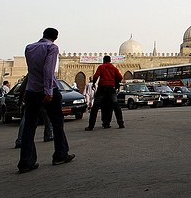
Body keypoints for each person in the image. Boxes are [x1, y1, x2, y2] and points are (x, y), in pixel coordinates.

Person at [17, 28, 75, 174]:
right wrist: (48, 91)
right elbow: (48, 70)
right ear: (55, 37)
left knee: (29, 125)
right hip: (47, 90)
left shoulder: (29, 47)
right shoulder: (52, 47)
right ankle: (60, 155)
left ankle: (25, 162)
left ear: (43, 35)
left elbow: (31, 71)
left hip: (32, 90)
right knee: (57, 122)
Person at [85, 55, 125, 130]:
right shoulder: (114, 68)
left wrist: (93, 83)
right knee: (115, 106)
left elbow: (96, 76)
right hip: (111, 89)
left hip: (102, 88)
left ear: (104, 60)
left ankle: (91, 126)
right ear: (110, 60)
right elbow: (120, 77)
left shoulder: (101, 67)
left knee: (96, 107)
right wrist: (116, 83)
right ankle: (120, 124)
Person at [15, 75, 53, 149]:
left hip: (32, 95)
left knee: (27, 117)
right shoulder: (46, 72)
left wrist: (20, 101)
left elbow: (22, 88)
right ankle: (48, 135)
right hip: (42, 95)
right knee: (46, 116)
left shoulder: (31, 73)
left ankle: (20, 140)